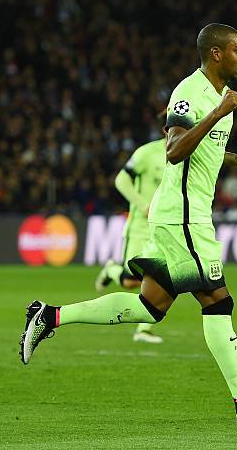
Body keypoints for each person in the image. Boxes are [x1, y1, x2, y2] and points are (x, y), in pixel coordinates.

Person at [20, 23, 237, 430]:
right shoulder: (190, 92)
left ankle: (50, 315)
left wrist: (235, 158)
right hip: (183, 216)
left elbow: (202, 151)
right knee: (218, 302)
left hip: (186, 215)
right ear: (215, 53)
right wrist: (219, 113)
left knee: (150, 307)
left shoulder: (218, 96)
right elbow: (173, 150)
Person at [95, 120, 166, 344]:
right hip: (140, 228)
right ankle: (112, 270)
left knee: (164, 279)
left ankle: (143, 329)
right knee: (130, 280)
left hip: (165, 228)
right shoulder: (147, 153)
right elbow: (121, 180)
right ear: (166, 130)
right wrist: (143, 205)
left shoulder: (187, 155)